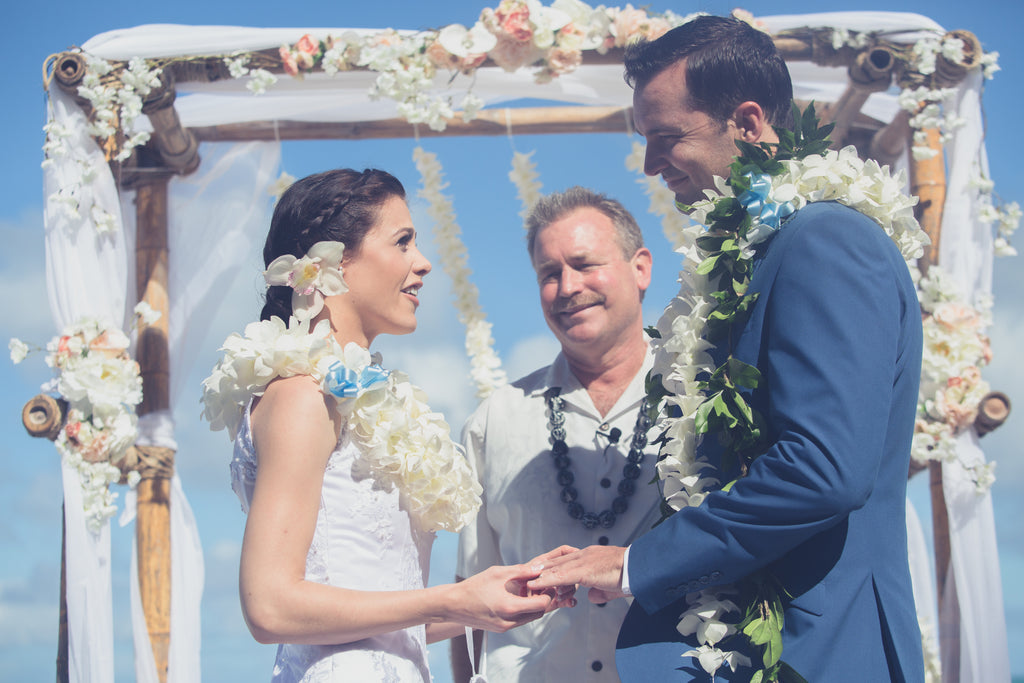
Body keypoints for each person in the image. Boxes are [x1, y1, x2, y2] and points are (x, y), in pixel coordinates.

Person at [527, 16, 926, 682]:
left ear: (745, 120)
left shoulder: (825, 239)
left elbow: (824, 467)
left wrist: (636, 563)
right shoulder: (751, 255)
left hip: (818, 650)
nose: (651, 165)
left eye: (666, 137)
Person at [201, 168, 571, 683]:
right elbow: (270, 607)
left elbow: (383, 616)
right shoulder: (301, 397)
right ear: (332, 262)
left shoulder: (352, 396)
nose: (423, 263)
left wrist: (491, 597)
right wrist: (453, 596)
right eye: (403, 242)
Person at [452, 187, 664, 682]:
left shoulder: (706, 403)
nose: (567, 287)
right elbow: (470, 598)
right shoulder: (492, 423)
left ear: (641, 268)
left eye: (585, 264)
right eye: (549, 274)